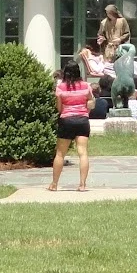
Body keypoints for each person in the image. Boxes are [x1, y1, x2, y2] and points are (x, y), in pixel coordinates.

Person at [48, 62, 94, 192]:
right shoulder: (86, 86)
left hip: (66, 120)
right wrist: (85, 113)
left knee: (60, 153)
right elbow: (90, 102)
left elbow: (59, 107)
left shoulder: (61, 87)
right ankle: (82, 185)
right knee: (83, 153)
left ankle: (54, 184)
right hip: (82, 120)